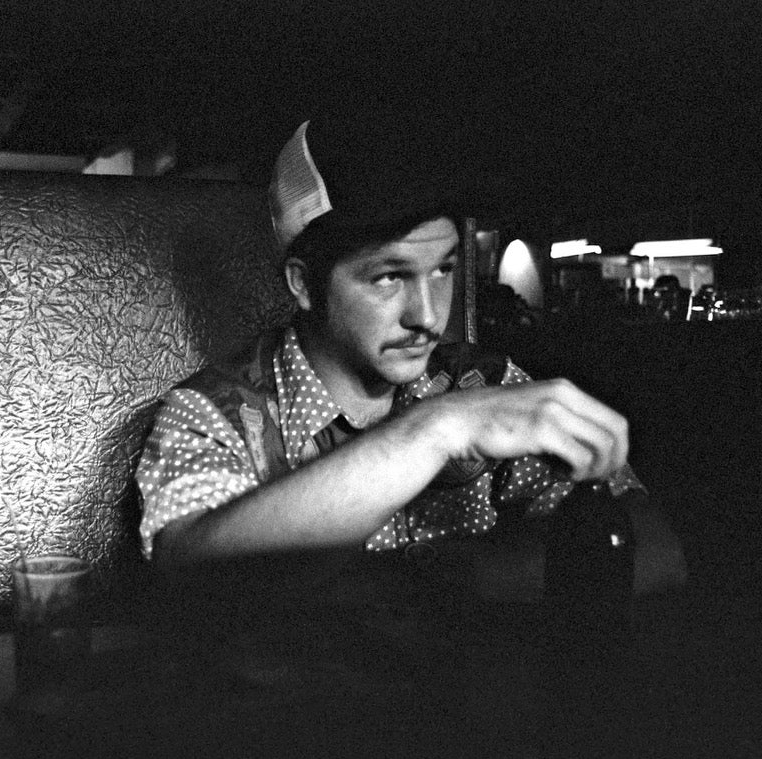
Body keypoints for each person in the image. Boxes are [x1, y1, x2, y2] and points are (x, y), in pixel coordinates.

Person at [136, 115, 683, 603]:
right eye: (390, 276)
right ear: (304, 284)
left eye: (444, 269)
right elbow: (190, 578)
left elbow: (654, 549)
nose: (428, 317)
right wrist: (433, 431)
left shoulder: (480, 383)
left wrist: (423, 584)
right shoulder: (212, 413)